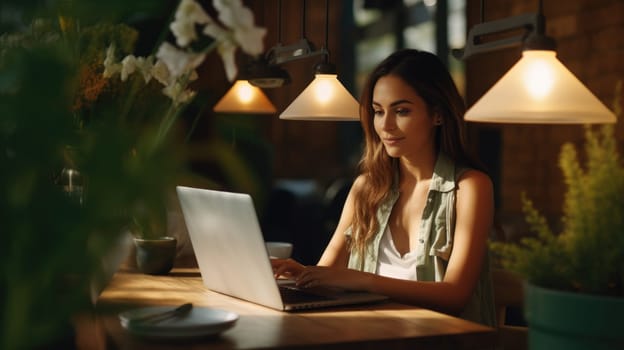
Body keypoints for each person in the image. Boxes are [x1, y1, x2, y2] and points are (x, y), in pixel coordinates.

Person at [272, 49, 496, 326]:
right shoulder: (366, 188)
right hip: (369, 334)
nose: (386, 125)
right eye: (378, 111)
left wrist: (364, 280)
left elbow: (455, 296)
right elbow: (328, 272)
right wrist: (303, 273)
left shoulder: (469, 187)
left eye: (402, 111)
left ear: (437, 114)